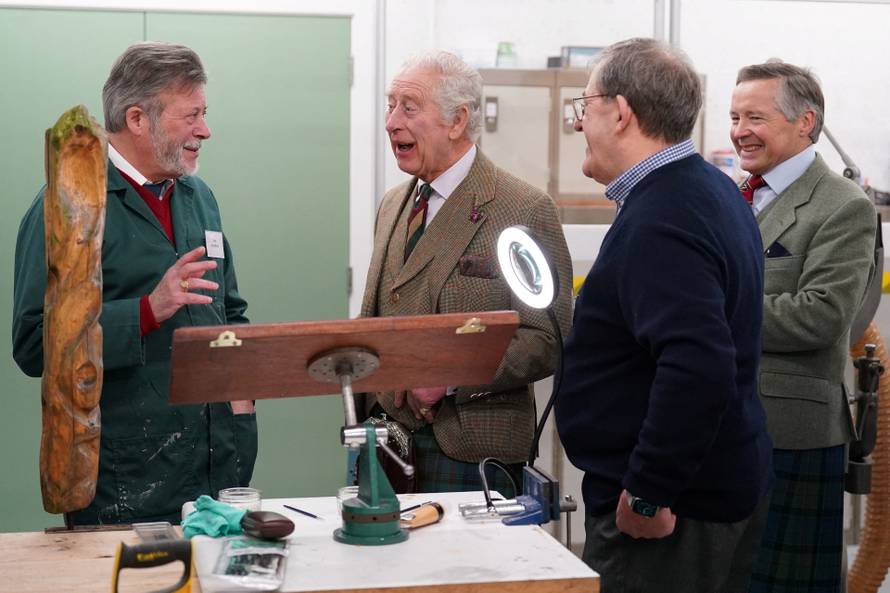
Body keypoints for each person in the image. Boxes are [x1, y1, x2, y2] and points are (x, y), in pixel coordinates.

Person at [555, 38, 773, 592]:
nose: (580, 123)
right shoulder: (712, 191)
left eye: (586, 106)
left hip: (673, 515)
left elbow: (699, 364)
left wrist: (650, 490)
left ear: (621, 112)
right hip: (712, 490)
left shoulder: (663, 216)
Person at [13, 42, 257, 526]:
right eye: (190, 116)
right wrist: (147, 310)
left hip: (218, 467)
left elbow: (229, 310)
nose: (205, 130)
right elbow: (35, 344)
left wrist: (242, 398)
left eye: (204, 114)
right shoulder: (64, 207)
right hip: (125, 483)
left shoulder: (199, 196)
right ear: (138, 119)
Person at [361, 50, 572, 494]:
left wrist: (452, 377)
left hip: (471, 454)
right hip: (384, 445)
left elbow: (547, 339)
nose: (391, 121)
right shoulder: (391, 205)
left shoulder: (524, 209)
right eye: (389, 104)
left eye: (409, 107)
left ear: (457, 122)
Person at [730, 61, 877, 593]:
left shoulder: (843, 206)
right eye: (734, 116)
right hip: (724, 426)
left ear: (805, 122)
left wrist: (710, 314)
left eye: (756, 117)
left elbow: (821, 315)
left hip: (790, 433)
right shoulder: (734, 196)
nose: (740, 130)